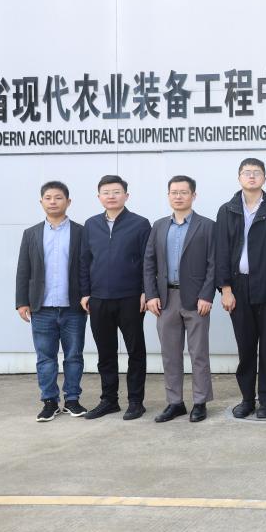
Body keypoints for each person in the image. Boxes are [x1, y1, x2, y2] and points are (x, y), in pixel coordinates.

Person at [215, 158, 266, 419]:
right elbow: (221, 250)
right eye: (247, 172)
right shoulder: (227, 210)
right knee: (245, 348)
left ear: (264, 178)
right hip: (238, 287)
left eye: (257, 173)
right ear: (239, 177)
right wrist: (225, 289)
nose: (252, 176)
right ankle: (247, 398)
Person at [143, 175, 216, 423]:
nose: (178, 196)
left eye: (184, 192)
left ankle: (200, 402)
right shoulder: (159, 226)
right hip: (165, 299)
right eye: (174, 192)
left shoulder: (207, 226)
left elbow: (213, 264)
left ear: (193, 195)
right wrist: (151, 295)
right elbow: (149, 262)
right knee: (170, 354)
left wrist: (206, 295)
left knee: (198, 354)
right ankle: (175, 402)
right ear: (168, 196)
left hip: (196, 300)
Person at [80, 175, 151, 420]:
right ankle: (109, 400)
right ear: (99, 197)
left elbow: (148, 261)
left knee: (135, 351)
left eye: (116, 192)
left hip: (130, 298)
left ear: (126, 196)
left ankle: (136, 401)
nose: (111, 196)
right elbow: (84, 261)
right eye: (106, 192)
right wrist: (85, 292)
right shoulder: (91, 225)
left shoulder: (140, 224)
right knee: (106, 353)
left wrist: (146, 291)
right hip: (99, 298)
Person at [16, 181, 87, 421]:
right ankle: (49, 402)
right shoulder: (31, 234)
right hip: (41, 308)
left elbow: (87, 267)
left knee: (74, 356)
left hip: (73, 307)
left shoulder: (80, 232)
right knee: (45, 358)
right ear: (41, 202)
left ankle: (73, 400)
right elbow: (23, 270)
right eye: (48, 198)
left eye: (58, 197)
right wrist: (21, 302)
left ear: (68, 201)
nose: (53, 201)